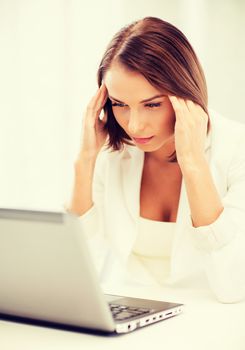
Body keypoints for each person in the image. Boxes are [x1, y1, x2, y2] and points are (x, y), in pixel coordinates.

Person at [69, 16, 245, 303]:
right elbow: (75, 273)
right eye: (119, 105)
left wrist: (194, 163)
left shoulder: (237, 149)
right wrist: (85, 160)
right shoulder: (113, 154)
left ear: (184, 94)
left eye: (151, 104)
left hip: (216, 323)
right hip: (136, 318)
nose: (134, 125)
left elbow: (234, 286)